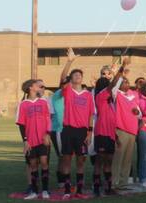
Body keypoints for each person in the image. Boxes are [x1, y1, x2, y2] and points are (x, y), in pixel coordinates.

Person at [59, 48, 95, 198]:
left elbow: (90, 115)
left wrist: (90, 132)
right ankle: (67, 190)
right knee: (67, 160)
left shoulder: (87, 95)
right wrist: (69, 61)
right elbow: (62, 80)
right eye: (75, 75)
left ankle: (79, 190)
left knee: (81, 161)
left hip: (82, 132)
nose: (78, 76)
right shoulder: (68, 91)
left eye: (80, 74)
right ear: (71, 79)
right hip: (68, 130)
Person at [92, 60, 128, 197]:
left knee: (108, 162)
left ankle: (108, 188)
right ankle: (96, 188)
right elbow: (114, 84)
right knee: (99, 162)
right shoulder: (101, 96)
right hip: (101, 134)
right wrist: (122, 68)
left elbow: (111, 122)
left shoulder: (111, 102)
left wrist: (116, 137)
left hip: (110, 135)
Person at [17, 79, 51, 200]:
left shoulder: (43, 101)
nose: (40, 86)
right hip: (30, 140)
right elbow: (21, 124)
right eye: (38, 85)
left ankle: (46, 190)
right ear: (31, 88)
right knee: (33, 165)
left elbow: (48, 118)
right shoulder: (23, 104)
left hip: (43, 138)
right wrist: (25, 141)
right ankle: (35, 192)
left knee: (44, 162)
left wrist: (47, 134)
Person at [110, 61, 141, 189]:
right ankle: (114, 182)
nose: (126, 84)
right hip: (121, 129)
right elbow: (114, 87)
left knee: (128, 158)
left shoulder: (133, 95)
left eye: (128, 82)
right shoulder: (116, 94)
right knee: (118, 157)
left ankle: (123, 182)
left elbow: (139, 113)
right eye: (124, 82)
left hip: (132, 130)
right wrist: (120, 72)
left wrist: (137, 112)